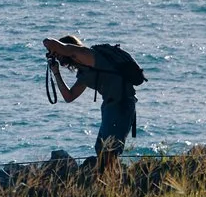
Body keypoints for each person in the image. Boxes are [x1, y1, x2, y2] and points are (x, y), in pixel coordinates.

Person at [44, 34, 138, 173]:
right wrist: (56, 72)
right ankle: (110, 181)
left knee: (109, 150)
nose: (57, 57)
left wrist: (53, 48)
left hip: (121, 104)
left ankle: (112, 183)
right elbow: (69, 96)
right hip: (110, 107)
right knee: (101, 148)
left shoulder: (86, 55)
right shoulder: (85, 71)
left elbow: (49, 43)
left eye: (58, 55)